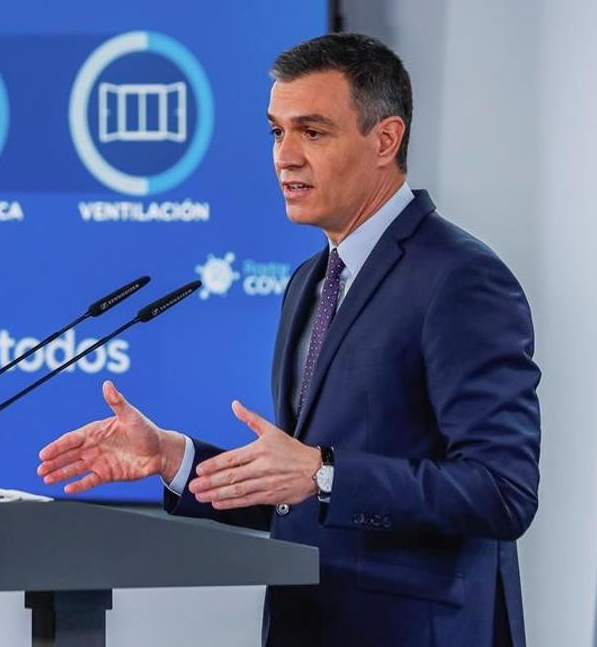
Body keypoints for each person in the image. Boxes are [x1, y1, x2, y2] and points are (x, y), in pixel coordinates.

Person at [37, 33, 541, 647]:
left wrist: (325, 473)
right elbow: (295, 489)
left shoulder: (460, 278)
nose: (285, 157)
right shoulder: (311, 280)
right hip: (308, 625)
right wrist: (173, 457)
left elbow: (501, 491)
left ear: (385, 139)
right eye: (277, 132)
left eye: (313, 131)